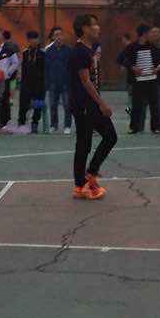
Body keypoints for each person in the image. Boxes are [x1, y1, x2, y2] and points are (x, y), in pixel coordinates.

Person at [70, 13, 117, 200]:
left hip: (90, 103)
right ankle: (81, 185)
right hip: (84, 104)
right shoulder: (79, 52)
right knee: (84, 144)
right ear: (84, 28)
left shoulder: (90, 50)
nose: (97, 28)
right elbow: (85, 81)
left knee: (109, 137)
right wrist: (102, 104)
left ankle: (89, 174)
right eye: (94, 25)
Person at [119, 24, 160, 135]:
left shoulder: (153, 47)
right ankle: (134, 127)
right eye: (149, 33)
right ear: (144, 34)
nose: (151, 35)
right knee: (136, 105)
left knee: (154, 105)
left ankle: (155, 127)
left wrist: (157, 68)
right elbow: (121, 59)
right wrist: (133, 67)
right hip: (138, 80)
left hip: (152, 80)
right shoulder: (132, 47)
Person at [44, 26, 73, 135]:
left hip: (66, 83)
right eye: (56, 35)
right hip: (53, 83)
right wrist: (47, 82)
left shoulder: (69, 50)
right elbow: (46, 68)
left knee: (67, 105)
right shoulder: (48, 51)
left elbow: (72, 68)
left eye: (60, 34)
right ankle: (53, 125)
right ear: (53, 37)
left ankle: (67, 126)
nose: (59, 37)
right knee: (53, 105)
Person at [17, 30, 46, 133]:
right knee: (23, 104)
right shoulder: (25, 53)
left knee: (37, 105)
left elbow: (45, 69)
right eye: (30, 39)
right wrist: (21, 82)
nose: (33, 41)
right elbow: (23, 68)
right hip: (26, 83)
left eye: (35, 39)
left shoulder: (43, 53)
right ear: (28, 40)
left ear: (38, 40)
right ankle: (21, 123)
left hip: (39, 83)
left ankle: (35, 123)